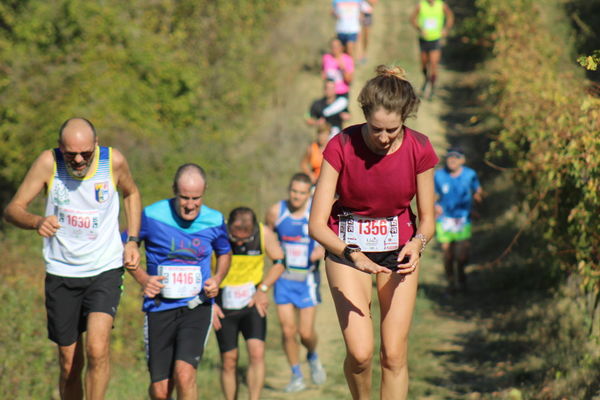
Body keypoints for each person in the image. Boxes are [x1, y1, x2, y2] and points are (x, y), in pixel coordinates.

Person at [308, 65, 439, 399]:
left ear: (405, 119)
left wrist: (417, 244)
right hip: (347, 249)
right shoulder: (341, 145)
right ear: (364, 115)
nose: (383, 138)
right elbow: (316, 224)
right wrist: (352, 254)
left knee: (393, 354)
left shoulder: (419, 148)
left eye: (392, 130)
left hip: (400, 251)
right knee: (361, 353)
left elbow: (427, 221)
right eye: (376, 129)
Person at [3, 117, 141, 400]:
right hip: (62, 272)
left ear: (96, 146)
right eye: (71, 154)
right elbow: (13, 209)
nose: (78, 160)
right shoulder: (48, 163)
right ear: (60, 148)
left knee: (97, 349)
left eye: (85, 154)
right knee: (69, 364)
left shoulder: (112, 162)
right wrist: (36, 221)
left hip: (105, 268)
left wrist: (132, 240)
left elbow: (132, 193)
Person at [126, 163, 232, 400]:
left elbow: (225, 252)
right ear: (174, 190)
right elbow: (127, 247)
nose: (190, 205)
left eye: (196, 198)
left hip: (196, 306)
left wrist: (217, 278)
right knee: (161, 391)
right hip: (158, 308)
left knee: (184, 374)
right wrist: (143, 279)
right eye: (184, 197)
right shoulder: (152, 215)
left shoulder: (214, 220)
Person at [213, 207, 286, 400]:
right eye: (235, 237)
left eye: (244, 239)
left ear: (253, 229)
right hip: (223, 303)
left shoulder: (264, 234)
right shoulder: (217, 233)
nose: (238, 242)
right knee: (229, 360)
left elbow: (280, 262)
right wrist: (210, 302)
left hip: (252, 302)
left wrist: (263, 289)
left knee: (257, 353)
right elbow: (200, 264)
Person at [265, 173, 327, 393]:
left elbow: (331, 233)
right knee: (288, 330)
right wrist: (275, 253)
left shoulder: (315, 212)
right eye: (294, 191)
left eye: (302, 192)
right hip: (283, 279)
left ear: (308, 193)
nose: (297, 197)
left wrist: (323, 249)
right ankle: (296, 375)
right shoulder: (276, 212)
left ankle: (312, 355)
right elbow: (266, 233)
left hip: (307, 279)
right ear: (288, 190)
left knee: (306, 332)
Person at [434, 147, 482, 293]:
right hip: (445, 219)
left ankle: (461, 277)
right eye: (450, 157)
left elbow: (478, 191)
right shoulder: (438, 175)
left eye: (456, 157)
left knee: (462, 255)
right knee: (448, 254)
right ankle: (451, 283)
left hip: (463, 218)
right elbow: (431, 194)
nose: (452, 160)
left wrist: (477, 201)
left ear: (462, 160)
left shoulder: (470, 175)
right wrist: (434, 207)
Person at [409, 0, 454, 99]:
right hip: (424, 39)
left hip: (435, 39)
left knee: (434, 64)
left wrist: (446, 29)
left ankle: (432, 87)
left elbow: (450, 16)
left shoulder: (441, 5)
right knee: (424, 63)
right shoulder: (421, 5)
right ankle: (426, 79)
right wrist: (420, 28)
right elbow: (412, 19)